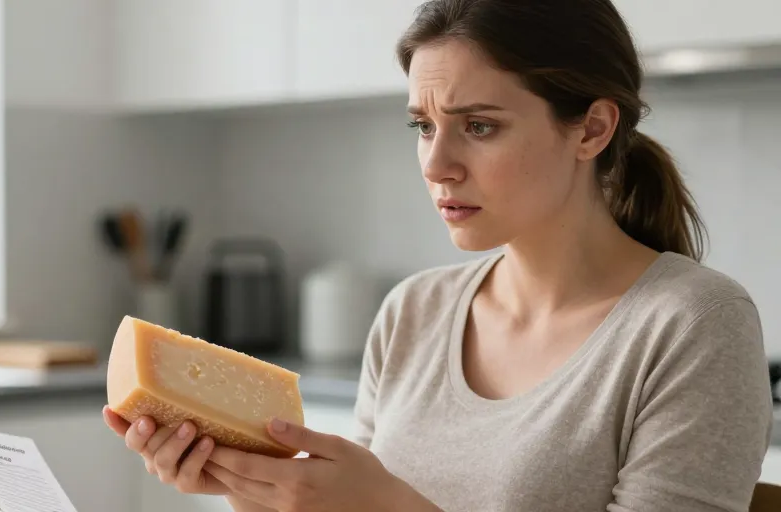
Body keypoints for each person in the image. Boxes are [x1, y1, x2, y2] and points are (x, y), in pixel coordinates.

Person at [102, 0, 776, 510]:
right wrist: (262, 493)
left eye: (478, 126)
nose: (437, 163)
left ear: (592, 129)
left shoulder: (694, 324)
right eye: (424, 127)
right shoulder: (413, 311)